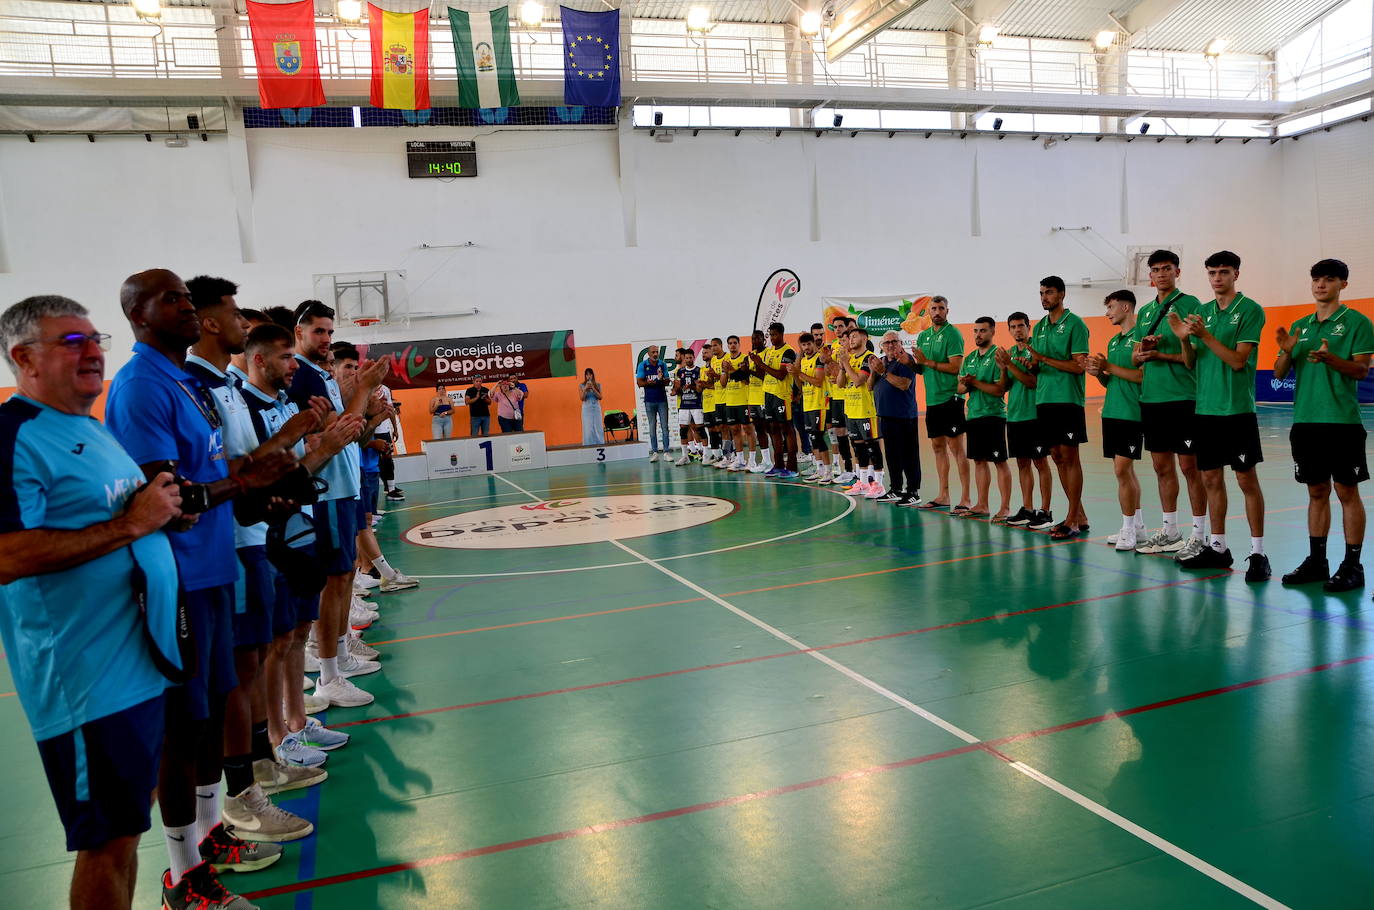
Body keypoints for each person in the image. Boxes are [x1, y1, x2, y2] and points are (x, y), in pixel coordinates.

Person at [105, 269, 297, 910]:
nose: (187, 308)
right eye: (172, 300)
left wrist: (260, 480)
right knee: (183, 729)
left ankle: (211, 841)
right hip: (175, 579)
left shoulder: (187, 382)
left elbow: (213, 478)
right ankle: (181, 877)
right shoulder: (139, 386)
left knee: (212, 715)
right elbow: (167, 499)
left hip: (214, 571)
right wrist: (244, 482)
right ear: (136, 313)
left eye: (189, 298)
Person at [0, 295, 184, 910]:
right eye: (71, 341)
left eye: (94, 336)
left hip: (136, 667)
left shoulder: (89, 427)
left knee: (126, 834)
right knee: (106, 843)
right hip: (85, 681)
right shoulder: (15, 437)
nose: (93, 350)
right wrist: (132, 528)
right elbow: (6, 556)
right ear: (23, 358)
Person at [184, 277, 315, 848]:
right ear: (211, 322)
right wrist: (289, 440)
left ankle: (257, 767)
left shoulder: (217, 386)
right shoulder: (193, 386)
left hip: (248, 535)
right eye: (236, 313)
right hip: (226, 545)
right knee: (237, 672)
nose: (242, 320)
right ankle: (237, 794)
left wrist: (267, 486)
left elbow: (241, 467)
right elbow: (227, 472)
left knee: (256, 656)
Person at [239, 325, 361, 772]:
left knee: (294, 634)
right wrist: (322, 447)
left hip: (297, 527)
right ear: (258, 360)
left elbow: (293, 467)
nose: (295, 366)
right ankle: (277, 736)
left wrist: (320, 439)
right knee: (273, 643)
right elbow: (268, 475)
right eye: (287, 357)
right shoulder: (247, 407)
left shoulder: (284, 405)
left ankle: (296, 718)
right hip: (266, 537)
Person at [289, 300, 389, 709]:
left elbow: (347, 428)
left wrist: (364, 415)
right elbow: (335, 429)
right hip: (324, 490)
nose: (326, 339)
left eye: (329, 331)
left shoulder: (319, 375)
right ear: (298, 332)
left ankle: (341, 656)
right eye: (318, 331)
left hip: (341, 488)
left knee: (344, 575)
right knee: (333, 580)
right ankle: (329, 673)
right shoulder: (304, 379)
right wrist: (362, 393)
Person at [1168, 250, 1269, 580]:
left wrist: (1204, 336)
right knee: (1211, 479)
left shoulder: (1250, 310)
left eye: (1224, 272)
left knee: (1245, 479)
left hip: (1236, 410)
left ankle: (1257, 554)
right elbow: (1190, 362)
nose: (1217, 278)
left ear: (1236, 275)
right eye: (1212, 273)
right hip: (1206, 409)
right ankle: (1219, 547)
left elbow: (1238, 360)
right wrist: (1185, 340)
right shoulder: (1203, 312)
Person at [1275, 259, 1373, 592]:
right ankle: (1318, 562)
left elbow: (1361, 371)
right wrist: (1287, 352)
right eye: (1316, 279)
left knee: (1347, 492)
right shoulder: (1300, 326)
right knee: (1316, 492)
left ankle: (1353, 565)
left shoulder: (1358, 323)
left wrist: (1331, 359)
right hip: (1305, 422)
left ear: (1342, 285)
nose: (1320, 285)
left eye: (1329, 280)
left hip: (1342, 422)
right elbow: (1278, 373)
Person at [1133, 250, 1208, 557]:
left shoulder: (1191, 306)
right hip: (1152, 399)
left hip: (1183, 399)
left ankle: (1199, 535)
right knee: (1161, 466)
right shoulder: (1145, 313)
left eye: (1167, 268)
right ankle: (1170, 531)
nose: (1161, 274)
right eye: (1156, 270)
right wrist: (1145, 350)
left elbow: (1196, 358)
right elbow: (1136, 358)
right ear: (1150, 276)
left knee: (1190, 466)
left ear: (1177, 272)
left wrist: (1163, 354)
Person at [332, 345, 419, 595]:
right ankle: (372, 577)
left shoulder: (347, 397)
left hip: (353, 471)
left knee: (363, 523)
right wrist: (373, 418)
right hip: (339, 480)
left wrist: (377, 419)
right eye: (347, 367)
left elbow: (356, 438)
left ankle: (371, 576)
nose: (353, 372)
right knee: (352, 532)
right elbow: (348, 437)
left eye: (355, 367)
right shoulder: (333, 397)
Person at [1030, 276, 1091, 538]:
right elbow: (1040, 366)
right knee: (1056, 456)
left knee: (1070, 456)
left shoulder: (1075, 324)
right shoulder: (1040, 326)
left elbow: (1079, 365)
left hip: (1067, 399)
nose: (1044, 297)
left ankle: (1072, 519)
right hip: (1044, 399)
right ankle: (1079, 514)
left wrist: (1042, 358)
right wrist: (1031, 363)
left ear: (1062, 294)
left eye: (1050, 292)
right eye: (1042, 293)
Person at [1086, 291, 1146, 552]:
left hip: (1132, 413)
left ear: (1125, 306)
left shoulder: (1141, 338)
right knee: (1125, 472)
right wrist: (1099, 372)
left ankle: (1128, 529)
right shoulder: (1113, 342)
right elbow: (1111, 381)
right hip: (1112, 411)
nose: (1107, 312)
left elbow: (1141, 376)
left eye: (1110, 307)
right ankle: (1139, 527)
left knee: (1122, 471)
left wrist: (1108, 365)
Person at [995, 312, 1053, 529]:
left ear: (1029, 327)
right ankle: (1028, 509)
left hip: (1035, 415)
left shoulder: (1034, 351)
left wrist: (1009, 364)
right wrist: (1003, 368)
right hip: (1015, 415)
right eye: (1013, 326)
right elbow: (1003, 387)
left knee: (1040, 462)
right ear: (1009, 330)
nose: (1017, 329)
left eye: (1021, 325)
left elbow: (1032, 382)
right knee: (1022, 463)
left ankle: (1045, 511)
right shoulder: (1009, 354)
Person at [913, 296, 970, 512]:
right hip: (932, 400)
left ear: (948, 310)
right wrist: (909, 362)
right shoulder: (924, 336)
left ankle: (965, 498)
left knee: (956, 448)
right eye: (933, 308)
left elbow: (955, 367)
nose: (937, 312)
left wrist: (927, 361)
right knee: (938, 448)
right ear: (928, 312)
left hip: (951, 399)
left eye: (941, 308)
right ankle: (943, 495)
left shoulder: (953, 334)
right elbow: (923, 369)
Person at [957, 317, 1012, 521]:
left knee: (999, 461)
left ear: (992, 332)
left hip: (993, 416)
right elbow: (960, 388)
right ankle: (982, 505)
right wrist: (967, 383)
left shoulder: (998, 356)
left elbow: (998, 390)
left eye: (982, 331)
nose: (978, 335)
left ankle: (1005, 507)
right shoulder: (970, 358)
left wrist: (973, 382)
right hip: (974, 415)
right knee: (979, 461)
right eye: (975, 331)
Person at [869, 331, 922, 505]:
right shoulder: (882, 362)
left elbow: (903, 384)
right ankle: (896, 489)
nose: (890, 345)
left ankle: (913, 491)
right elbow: (870, 386)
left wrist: (883, 372)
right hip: (885, 415)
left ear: (900, 343)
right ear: (881, 346)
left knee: (909, 455)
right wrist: (873, 371)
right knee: (892, 455)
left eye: (894, 341)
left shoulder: (905, 360)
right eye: (887, 343)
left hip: (904, 416)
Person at [839, 326, 885, 499]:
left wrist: (845, 364)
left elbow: (858, 380)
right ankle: (864, 482)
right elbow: (840, 383)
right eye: (850, 336)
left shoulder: (869, 358)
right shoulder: (849, 359)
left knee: (872, 446)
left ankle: (879, 484)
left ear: (865, 339)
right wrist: (843, 366)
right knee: (858, 448)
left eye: (855, 336)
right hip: (851, 410)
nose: (851, 339)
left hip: (866, 409)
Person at [757, 322, 799, 478]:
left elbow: (781, 375)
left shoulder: (788, 351)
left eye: (774, 334)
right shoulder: (768, 352)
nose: (772, 338)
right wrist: (755, 365)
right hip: (768, 394)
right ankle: (778, 464)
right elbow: (765, 375)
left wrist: (761, 364)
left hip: (782, 395)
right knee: (773, 429)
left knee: (787, 429)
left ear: (781, 334)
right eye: (771, 335)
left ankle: (792, 467)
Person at [795, 332, 832, 484]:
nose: (806, 347)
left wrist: (799, 373)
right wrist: (796, 375)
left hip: (819, 404)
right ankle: (819, 469)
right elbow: (800, 385)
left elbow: (818, 381)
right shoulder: (803, 360)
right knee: (812, 438)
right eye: (803, 345)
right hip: (808, 403)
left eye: (809, 344)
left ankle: (829, 471)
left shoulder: (819, 358)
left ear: (814, 343)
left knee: (819, 437)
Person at [721, 335, 758, 472]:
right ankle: (740, 459)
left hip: (744, 400)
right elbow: (723, 383)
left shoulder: (744, 359)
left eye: (735, 343)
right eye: (730, 343)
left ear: (739, 344)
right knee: (735, 430)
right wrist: (725, 370)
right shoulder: (725, 361)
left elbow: (746, 380)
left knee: (748, 429)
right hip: (730, 401)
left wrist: (731, 369)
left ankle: (752, 460)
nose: (732, 345)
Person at [636, 345, 670, 461]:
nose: (655, 354)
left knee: (665, 427)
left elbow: (667, 381)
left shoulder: (662, 364)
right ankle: (655, 452)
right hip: (649, 401)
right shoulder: (643, 365)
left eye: (657, 352)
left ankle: (666, 452)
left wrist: (661, 378)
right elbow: (639, 383)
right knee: (652, 427)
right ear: (648, 353)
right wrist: (649, 382)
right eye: (653, 352)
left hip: (662, 401)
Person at [673, 348, 705, 465]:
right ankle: (685, 456)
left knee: (699, 428)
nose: (688, 360)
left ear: (693, 358)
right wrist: (676, 389)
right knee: (683, 429)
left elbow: (700, 389)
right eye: (686, 358)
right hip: (684, 405)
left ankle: (703, 453)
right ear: (684, 359)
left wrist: (692, 386)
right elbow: (678, 390)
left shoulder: (699, 371)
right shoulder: (680, 372)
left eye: (690, 358)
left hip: (696, 404)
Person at [580, 368, 604, 445]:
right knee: (588, 428)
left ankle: (599, 443)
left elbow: (600, 397)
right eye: (587, 374)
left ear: (592, 375)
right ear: (585, 376)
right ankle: (588, 444)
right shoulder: (581, 385)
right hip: (587, 408)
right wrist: (585, 389)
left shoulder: (598, 385)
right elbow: (582, 398)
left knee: (598, 427)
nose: (588, 376)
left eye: (590, 374)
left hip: (596, 408)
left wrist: (593, 388)